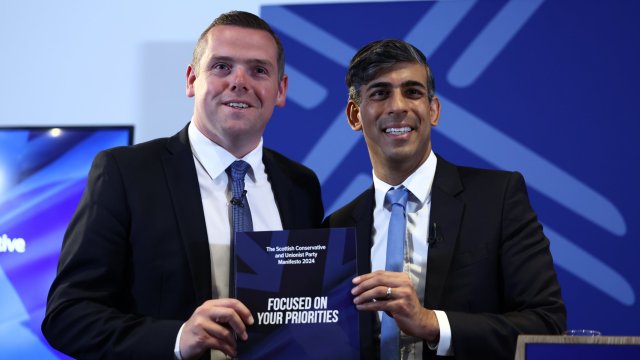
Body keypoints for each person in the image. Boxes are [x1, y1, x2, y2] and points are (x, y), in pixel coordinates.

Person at [42, 10, 323, 360]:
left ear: (280, 90)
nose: (239, 81)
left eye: (258, 70)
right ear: (191, 80)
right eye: (221, 66)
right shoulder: (125, 173)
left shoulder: (301, 186)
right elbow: (67, 315)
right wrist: (176, 338)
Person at [323, 39, 566, 360]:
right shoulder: (337, 227)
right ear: (355, 115)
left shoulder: (498, 198)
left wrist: (432, 322)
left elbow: (546, 324)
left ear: (433, 110)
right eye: (380, 93)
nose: (398, 106)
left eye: (412, 92)